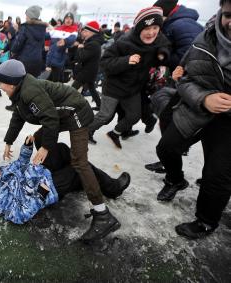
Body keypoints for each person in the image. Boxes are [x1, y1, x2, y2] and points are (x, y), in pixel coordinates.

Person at [0, 59, 121, 243]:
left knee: (79, 162)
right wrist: (8, 141)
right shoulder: (20, 92)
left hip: (76, 112)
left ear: (12, 82)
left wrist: (46, 148)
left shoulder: (30, 92)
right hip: (62, 114)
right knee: (40, 137)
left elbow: (50, 119)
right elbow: (19, 116)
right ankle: (65, 175)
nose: (1, 87)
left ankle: (103, 215)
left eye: (2, 83)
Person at [156, 0, 231, 240]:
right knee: (166, 147)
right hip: (198, 109)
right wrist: (204, 98)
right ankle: (175, 180)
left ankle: (207, 221)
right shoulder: (204, 39)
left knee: (216, 174)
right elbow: (185, 78)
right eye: (229, 15)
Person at [0, 135, 130, 225]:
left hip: (39, 172)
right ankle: (112, 188)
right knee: (78, 168)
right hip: (46, 188)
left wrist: (26, 149)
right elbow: (18, 215)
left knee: (61, 149)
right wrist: (40, 194)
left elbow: (18, 166)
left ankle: (80, 182)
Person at [88, 6, 170, 149]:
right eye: (146, 29)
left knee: (134, 116)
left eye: (155, 28)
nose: (151, 33)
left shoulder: (158, 39)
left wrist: (162, 53)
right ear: (139, 29)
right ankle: (85, 132)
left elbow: (165, 44)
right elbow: (104, 63)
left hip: (132, 89)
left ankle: (115, 133)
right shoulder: (124, 42)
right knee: (105, 116)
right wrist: (126, 61)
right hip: (113, 87)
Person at [145, 0, 204, 174]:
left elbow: (190, 58)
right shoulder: (176, 23)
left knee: (173, 121)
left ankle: (173, 166)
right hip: (182, 82)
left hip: (191, 85)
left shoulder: (183, 24)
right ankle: (168, 160)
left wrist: (161, 58)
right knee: (167, 119)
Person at [72, 21, 104, 109]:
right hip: (90, 70)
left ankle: (62, 104)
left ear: (90, 32)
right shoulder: (92, 42)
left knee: (72, 89)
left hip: (87, 71)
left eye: (85, 31)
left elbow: (81, 57)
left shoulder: (93, 44)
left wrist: (79, 48)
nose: (83, 32)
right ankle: (100, 105)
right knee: (92, 88)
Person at [11, 5, 46, 78]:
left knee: (22, 82)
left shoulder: (25, 27)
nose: (25, 17)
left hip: (25, 61)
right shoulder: (42, 28)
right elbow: (42, 46)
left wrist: (13, 51)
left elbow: (18, 43)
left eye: (26, 15)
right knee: (34, 82)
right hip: (37, 60)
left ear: (30, 16)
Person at [46, 12, 78, 82]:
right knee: (51, 80)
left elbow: (72, 39)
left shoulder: (73, 30)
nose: (68, 20)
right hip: (51, 57)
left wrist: (65, 41)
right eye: (67, 18)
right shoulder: (58, 29)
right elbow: (46, 35)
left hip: (60, 60)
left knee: (55, 81)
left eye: (70, 19)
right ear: (64, 20)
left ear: (72, 21)